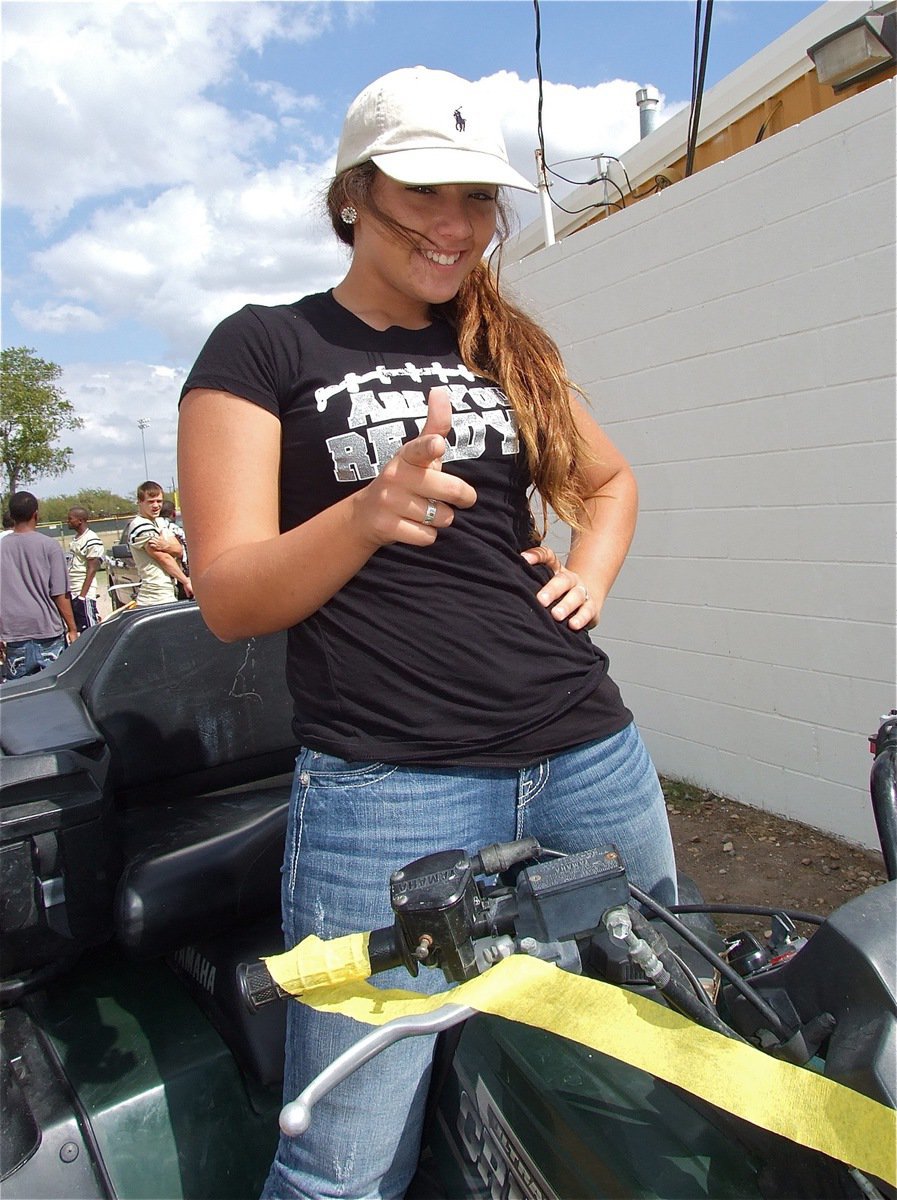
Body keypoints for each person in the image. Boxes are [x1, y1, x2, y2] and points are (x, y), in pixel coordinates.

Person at [178, 66, 677, 1200]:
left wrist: (590, 578)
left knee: (662, 1063)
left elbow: (609, 484)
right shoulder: (262, 347)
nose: (455, 226)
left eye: (477, 198)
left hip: (589, 755)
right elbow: (231, 595)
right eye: (423, 193)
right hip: (390, 789)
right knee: (344, 1160)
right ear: (353, 195)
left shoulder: (500, 344)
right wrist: (364, 515)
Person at [0, 491, 78, 680]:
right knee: (55, 688)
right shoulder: (50, 546)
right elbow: (60, 593)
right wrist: (72, 629)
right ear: (36, 514)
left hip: (14, 635)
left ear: (12, 515)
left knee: (20, 693)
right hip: (48, 633)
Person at [126, 481, 193, 606]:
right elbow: (164, 558)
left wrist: (166, 546)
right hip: (154, 595)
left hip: (167, 591)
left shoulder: (159, 522)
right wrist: (186, 581)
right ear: (140, 502)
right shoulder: (140, 525)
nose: (156, 505)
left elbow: (179, 550)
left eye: (159, 501)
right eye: (151, 502)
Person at [66, 506, 105, 630]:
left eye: (70, 519)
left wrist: (82, 596)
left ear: (80, 520)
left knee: (90, 630)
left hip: (84, 593)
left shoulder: (91, 539)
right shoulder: (76, 539)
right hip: (75, 590)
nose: (68, 521)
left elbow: (92, 569)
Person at [159, 499, 190, 600]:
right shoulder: (175, 529)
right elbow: (185, 551)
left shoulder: (152, 527)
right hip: (180, 576)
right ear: (173, 514)